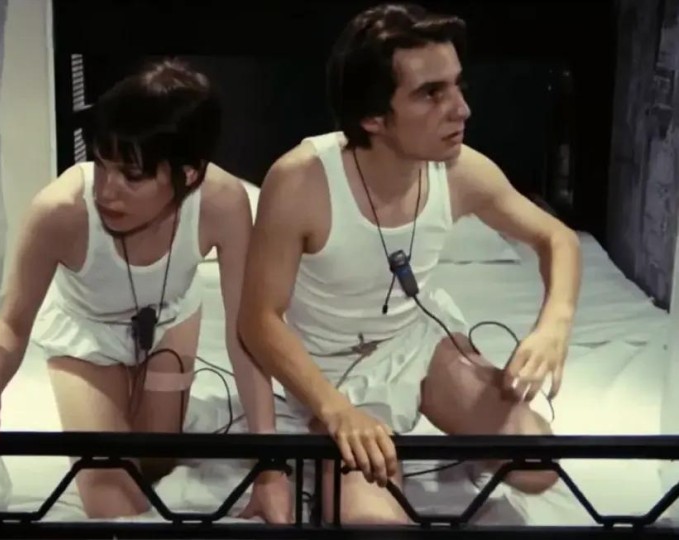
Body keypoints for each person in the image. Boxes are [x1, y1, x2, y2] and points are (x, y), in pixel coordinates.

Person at [238, 3, 582, 525]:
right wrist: (335, 410)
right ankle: (340, 456)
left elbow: (557, 237)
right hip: (334, 373)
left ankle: (449, 411)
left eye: (458, 86)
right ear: (373, 117)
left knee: (538, 469)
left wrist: (554, 324)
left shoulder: (460, 170)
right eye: (431, 93)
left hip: (418, 342)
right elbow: (258, 319)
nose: (462, 109)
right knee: (374, 524)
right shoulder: (301, 180)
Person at [0, 58, 290, 521]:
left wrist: (269, 465)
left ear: (189, 174)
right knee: (112, 500)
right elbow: (12, 323)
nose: (107, 191)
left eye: (132, 176)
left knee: (156, 459)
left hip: (171, 318)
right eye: (101, 164)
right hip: (86, 333)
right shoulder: (60, 210)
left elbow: (245, 333)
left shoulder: (223, 201)